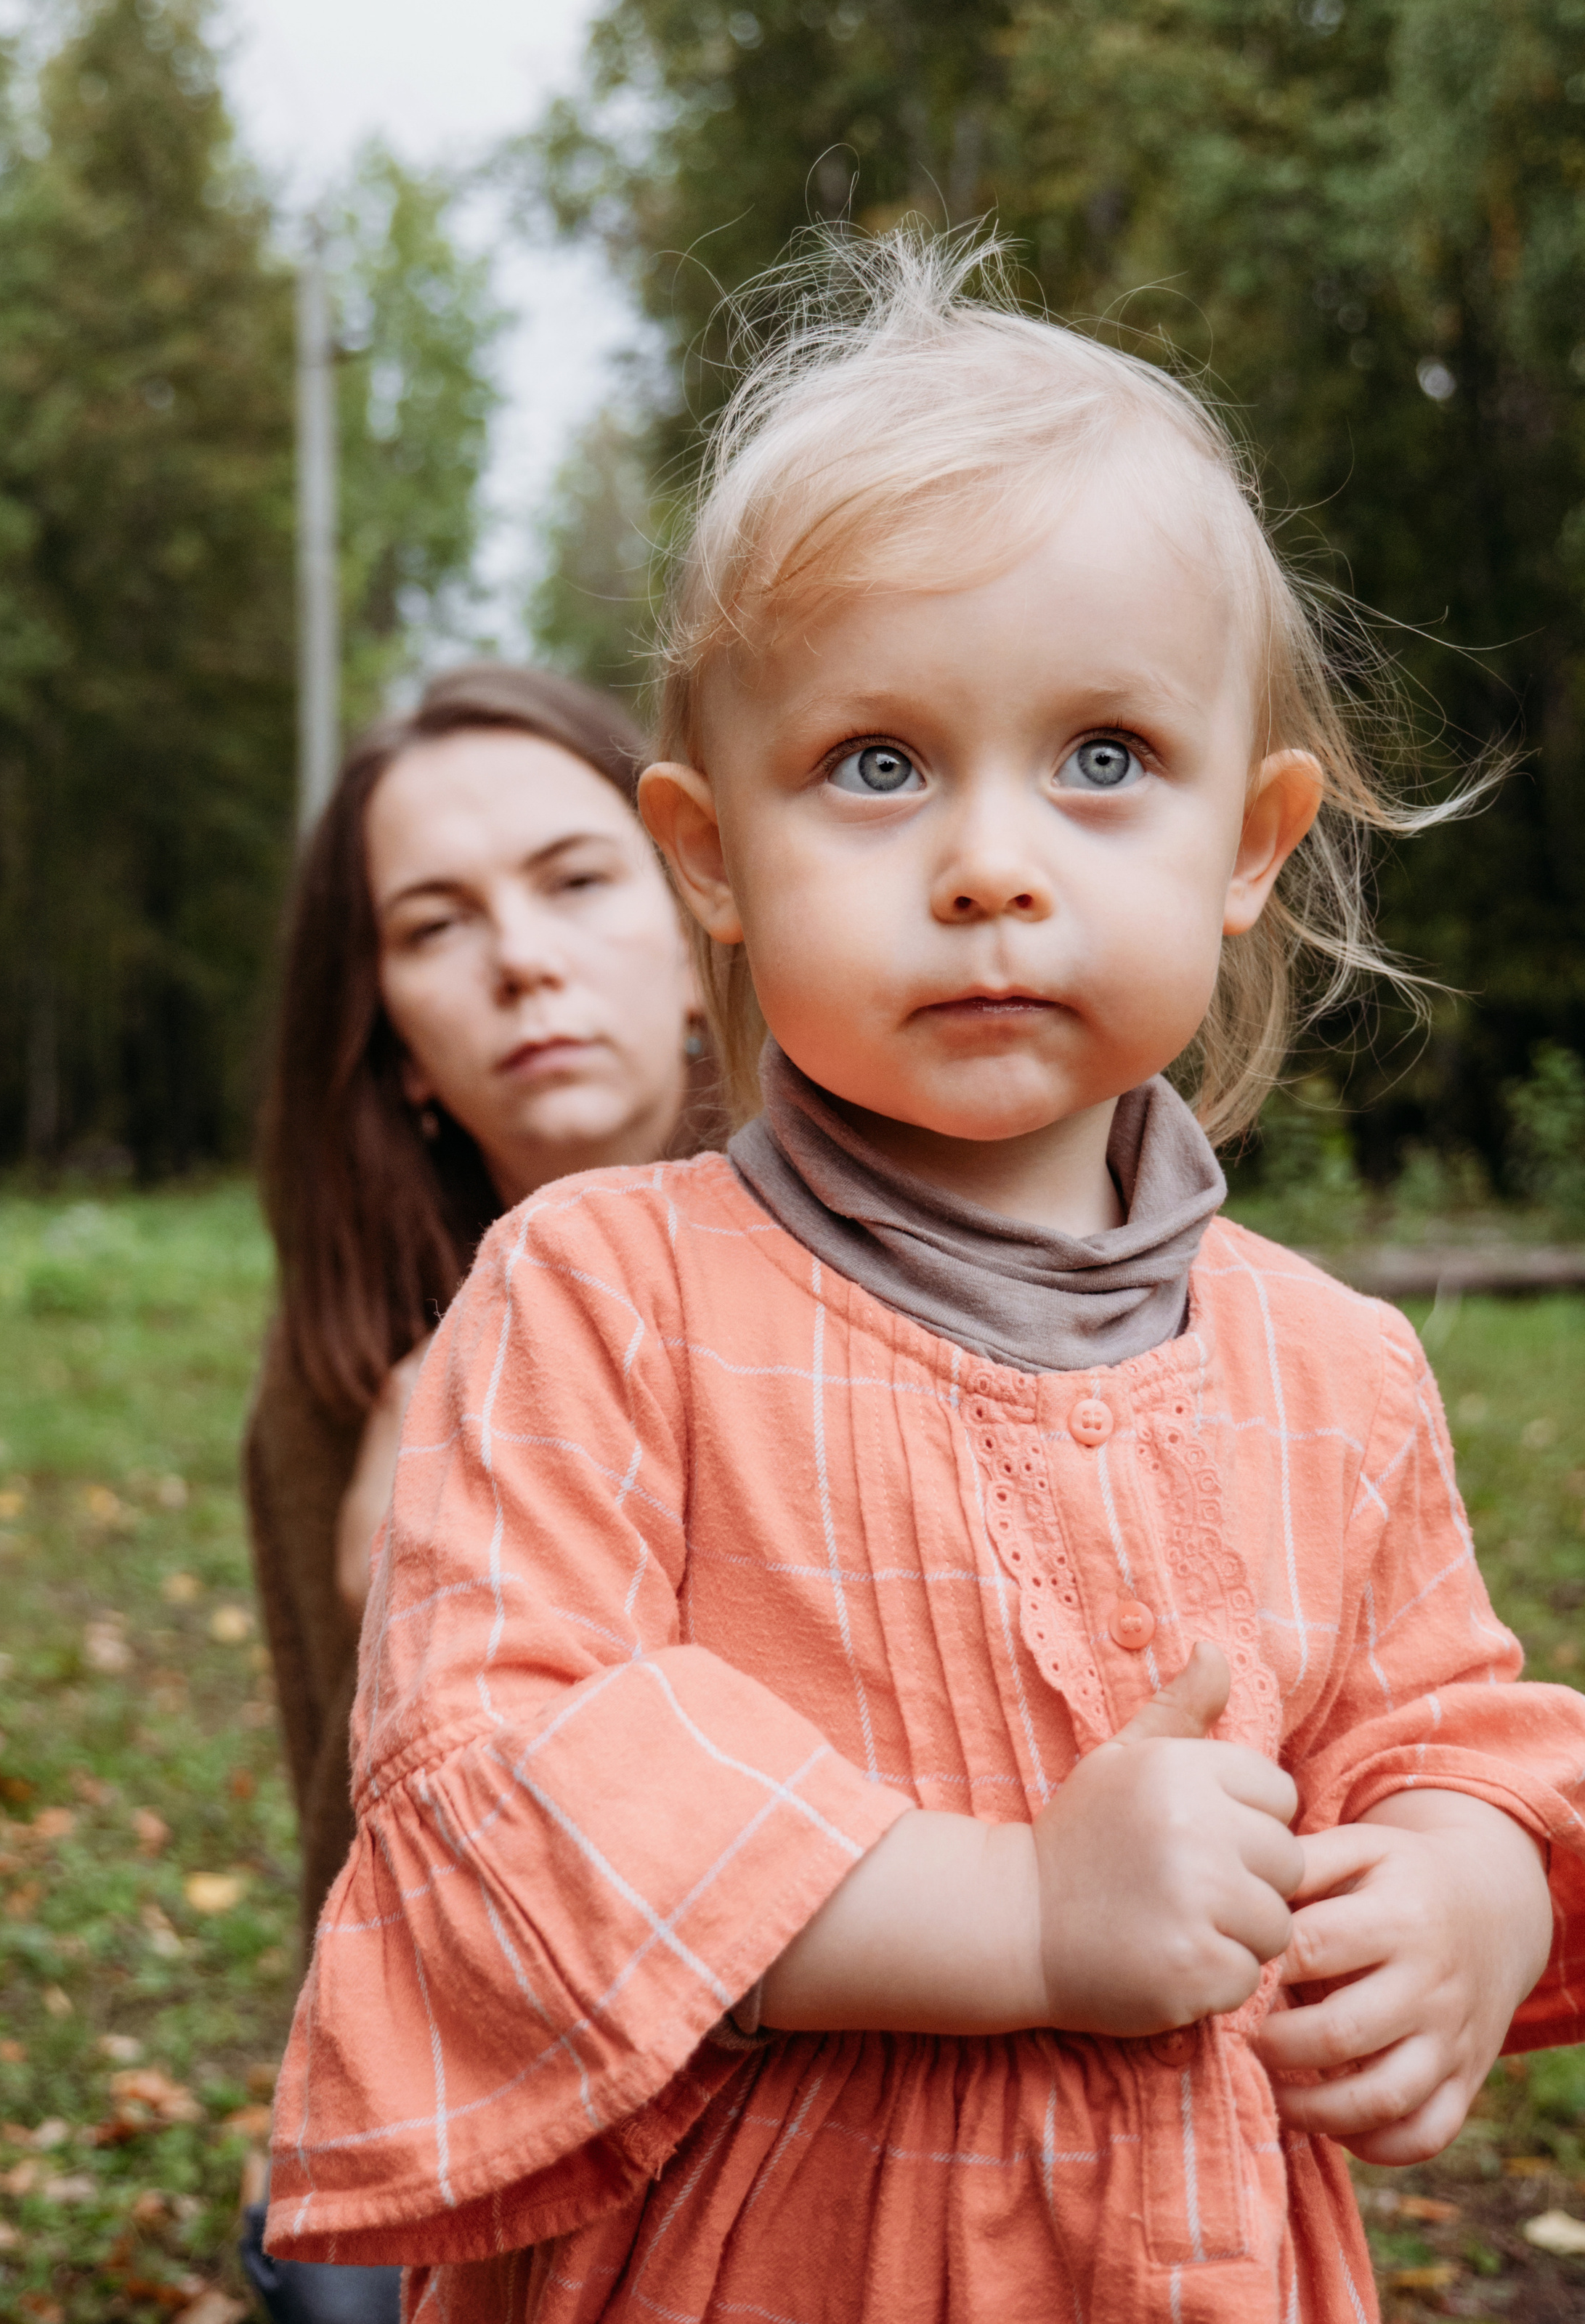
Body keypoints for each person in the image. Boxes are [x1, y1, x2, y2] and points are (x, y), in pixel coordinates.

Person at [262, 237, 1585, 2322]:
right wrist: (1021, 1913)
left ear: (1251, 841)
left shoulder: (1336, 1370)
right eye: (875, 764)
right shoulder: (601, 1297)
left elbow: (1444, 1729)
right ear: (711, 852)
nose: (989, 861)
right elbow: (497, 1779)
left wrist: (1467, 1888)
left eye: (1103, 756)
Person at [241, 666, 714, 2321]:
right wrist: (400, 1611)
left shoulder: (902, 1255)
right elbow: (351, 1857)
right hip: (496, 2058)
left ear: (701, 930)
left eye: (576, 880)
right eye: (435, 924)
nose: (520, 956)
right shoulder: (341, 1375)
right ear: (398, 1051)